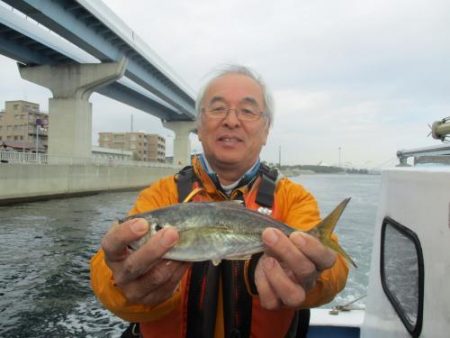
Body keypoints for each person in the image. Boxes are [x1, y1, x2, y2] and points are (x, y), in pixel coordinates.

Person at [90, 65, 349, 338]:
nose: (232, 121)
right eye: (217, 108)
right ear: (198, 127)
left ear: (266, 130)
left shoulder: (294, 198)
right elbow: (105, 273)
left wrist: (313, 276)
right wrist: (123, 283)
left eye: (247, 111)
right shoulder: (159, 195)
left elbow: (334, 270)